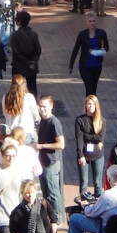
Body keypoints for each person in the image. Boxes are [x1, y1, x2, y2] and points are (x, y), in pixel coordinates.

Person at [35, 95, 66, 225]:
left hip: (51, 163)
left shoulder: (54, 122)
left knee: (54, 193)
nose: (42, 109)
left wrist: (42, 146)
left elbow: (61, 144)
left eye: (44, 107)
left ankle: (57, 220)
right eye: (40, 106)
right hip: (43, 162)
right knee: (46, 193)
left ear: (51, 107)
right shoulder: (43, 121)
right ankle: (50, 217)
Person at [68, 12, 109, 96]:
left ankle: (93, 106)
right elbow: (76, 49)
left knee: (94, 88)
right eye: (90, 21)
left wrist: (99, 52)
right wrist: (71, 65)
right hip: (85, 66)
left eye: (93, 21)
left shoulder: (102, 33)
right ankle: (88, 105)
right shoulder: (82, 35)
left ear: (96, 21)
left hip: (97, 66)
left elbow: (107, 47)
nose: (92, 23)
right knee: (89, 87)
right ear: (86, 22)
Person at [74, 95, 106, 199]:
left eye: (93, 104)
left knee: (97, 182)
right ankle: (83, 204)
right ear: (85, 105)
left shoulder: (102, 120)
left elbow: (100, 138)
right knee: (84, 182)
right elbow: (79, 139)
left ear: (96, 106)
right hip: (84, 154)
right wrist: (80, 155)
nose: (91, 106)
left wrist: (86, 136)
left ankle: (98, 203)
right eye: (88, 104)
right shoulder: (80, 120)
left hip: (97, 154)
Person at [9, 11, 42, 96]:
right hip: (31, 67)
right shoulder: (34, 34)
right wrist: (33, 62)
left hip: (18, 66)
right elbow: (38, 50)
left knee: (16, 87)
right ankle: (33, 104)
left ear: (19, 21)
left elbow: (16, 52)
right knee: (32, 87)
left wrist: (26, 61)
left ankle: (17, 103)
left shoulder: (15, 35)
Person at [3, 74, 40, 145]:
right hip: (26, 131)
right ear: (24, 84)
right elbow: (35, 115)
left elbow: (5, 114)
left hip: (11, 131)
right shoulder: (29, 97)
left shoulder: (6, 97)